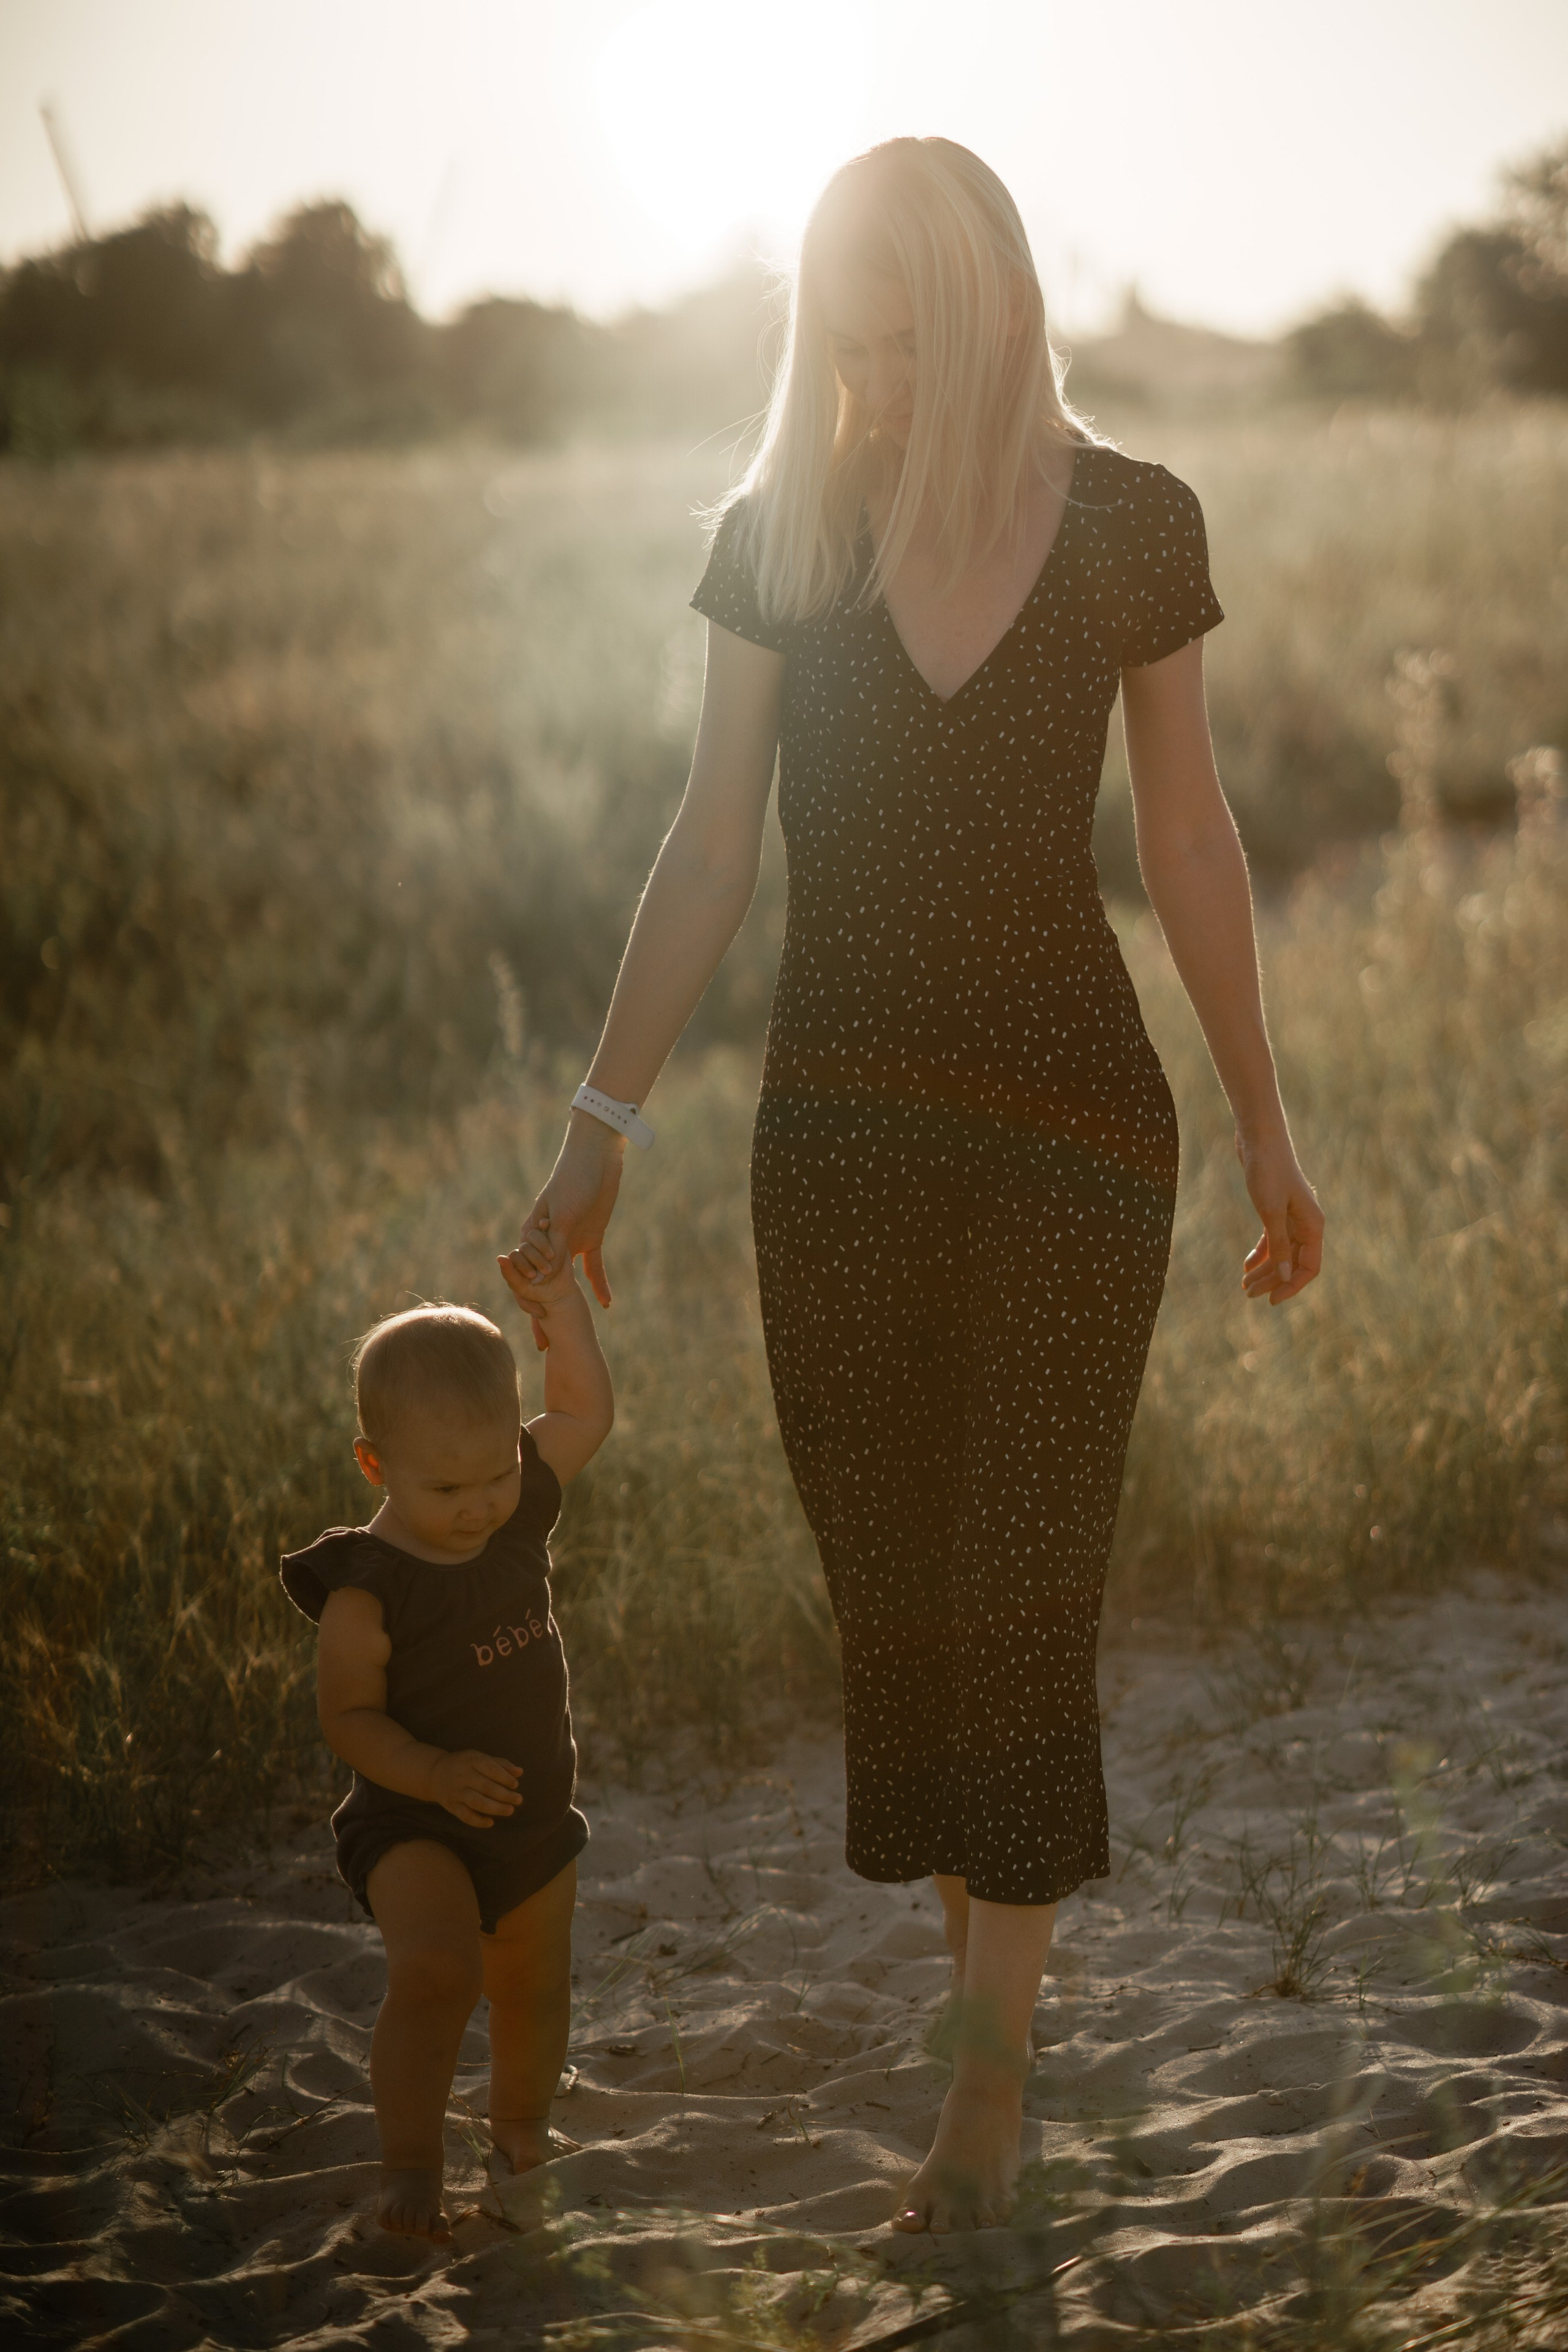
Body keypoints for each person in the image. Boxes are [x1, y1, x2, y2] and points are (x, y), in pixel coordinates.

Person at [519, 136, 1324, 2233]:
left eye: (907, 343)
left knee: (1024, 1579)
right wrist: (598, 1134)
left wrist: (1266, 1118)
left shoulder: (1135, 525)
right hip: (840, 1139)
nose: (873, 383)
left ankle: (984, 2099)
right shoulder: (779, 535)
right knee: (899, 1599)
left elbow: (1191, 839)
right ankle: (990, 2002)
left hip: (1076, 1127)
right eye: (845, 345)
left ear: (996, 320)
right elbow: (711, 850)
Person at [279, 1226, 611, 2242]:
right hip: (413, 1818)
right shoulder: (367, 1589)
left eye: (497, 1475)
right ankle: (413, 2163)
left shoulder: (516, 1512)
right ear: (376, 1464)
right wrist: (431, 1772)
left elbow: (585, 1413)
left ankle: (520, 2131)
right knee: (438, 1975)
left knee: (533, 1982)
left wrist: (563, 1313)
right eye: (446, 1490)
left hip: (531, 1809)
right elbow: (349, 1719)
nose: (478, 1510)